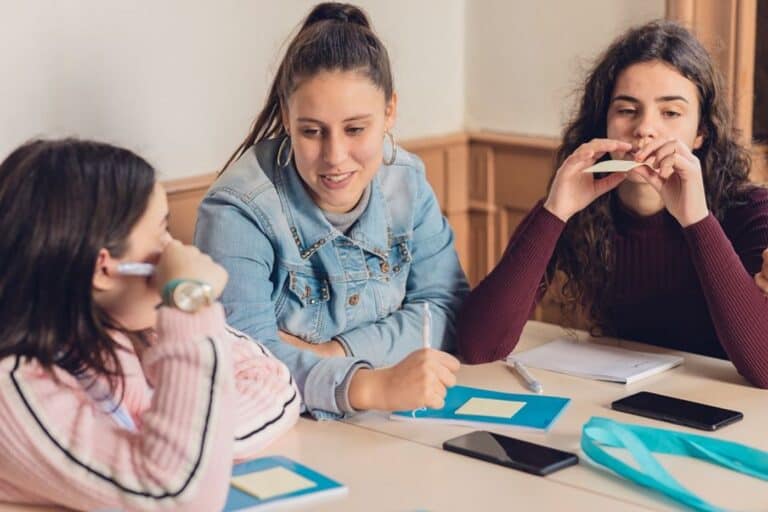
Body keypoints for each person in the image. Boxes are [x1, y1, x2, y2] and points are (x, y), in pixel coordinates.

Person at [457, 20, 768, 388]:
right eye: (626, 110)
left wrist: (696, 220)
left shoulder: (750, 211)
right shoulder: (578, 206)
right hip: (616, 408)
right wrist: (554, 211)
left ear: (701, 133)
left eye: (670, 113)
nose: (644, 129)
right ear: (604, 122)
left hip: (727, 417)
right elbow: (477, 346)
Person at [195, 2, 468, 418]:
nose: (335, 156)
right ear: (286, 117)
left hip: (390, 426)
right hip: (290, 435)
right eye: (311, 131)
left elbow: (447, 309)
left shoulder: (407, 182)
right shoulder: (236, 210)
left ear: (390, 111)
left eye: (356, 129)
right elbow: (246, 365)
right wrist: (369, 384)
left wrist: (334, 351)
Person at [0, 139, 299, 510]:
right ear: (104, 268)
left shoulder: (138, 324)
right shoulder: (14, 390)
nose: (174, 248)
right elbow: (176, 493)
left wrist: (186, 439)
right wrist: (187, 300)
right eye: (162, 232)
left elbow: (276, 382)